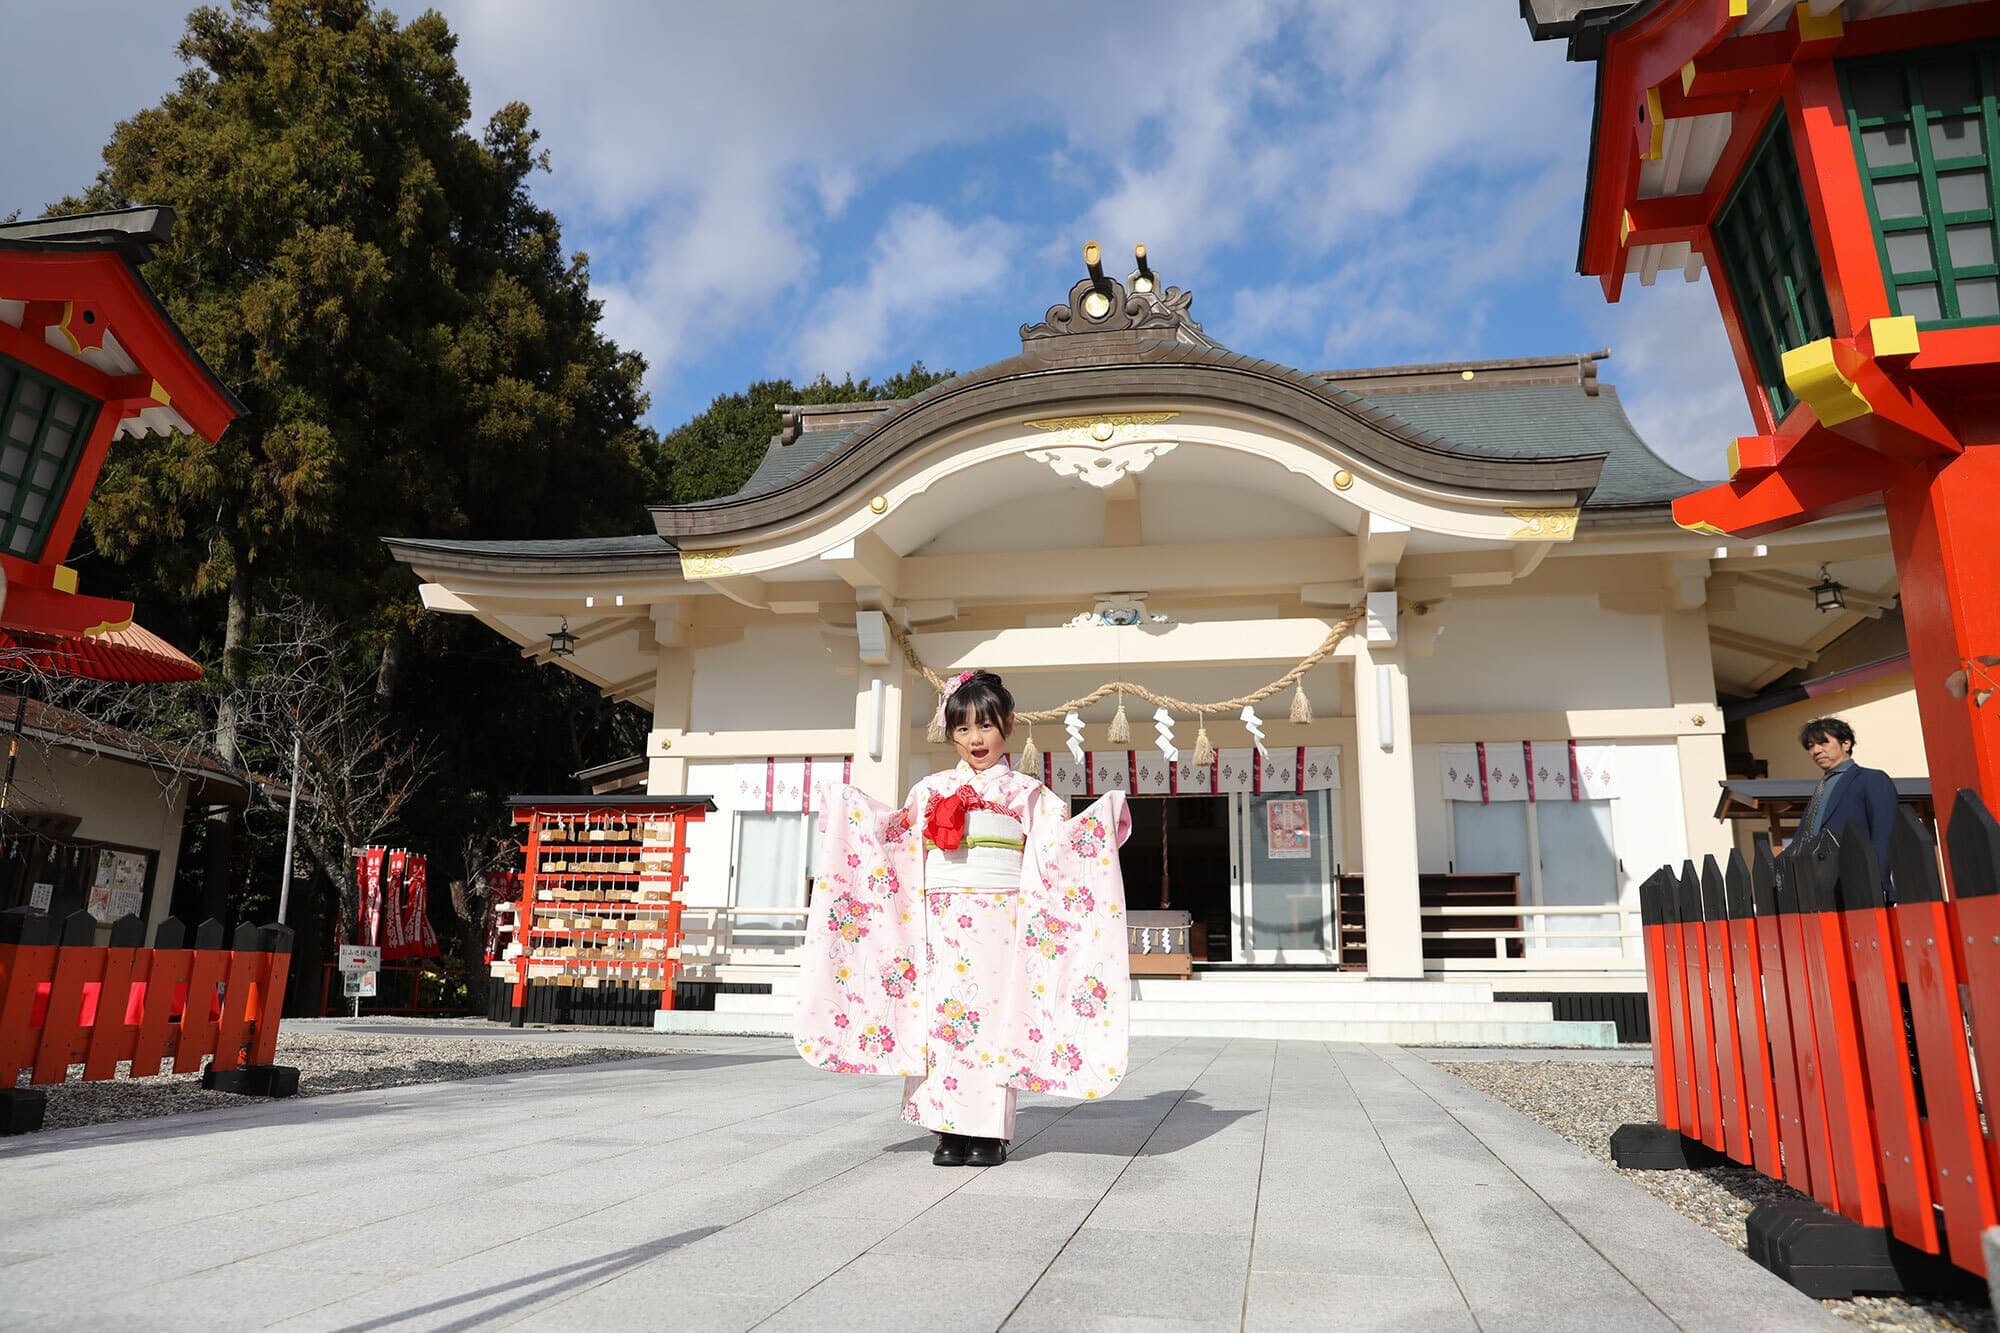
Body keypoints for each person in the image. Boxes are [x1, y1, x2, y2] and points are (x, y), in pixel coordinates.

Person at [794, 670, 1132, 1167]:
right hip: (940, 918)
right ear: (949, 733)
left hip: (1002, 919)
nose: (975, 740)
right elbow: (894, 836)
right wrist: (849, 810)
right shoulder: (931, 789)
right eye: (963, 729)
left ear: (1008, 726)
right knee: (939, 1019)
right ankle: (945, 1130)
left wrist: (1101, 819)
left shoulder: (1028, 793)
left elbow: (1056, 849)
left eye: (986, 726)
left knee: (994, 1020)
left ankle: (990, 1134)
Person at [1798, 716, 1899, 877]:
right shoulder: (1820, 789)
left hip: (1858, 880)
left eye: (1823, 742)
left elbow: (1885, 833)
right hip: (1815, 884)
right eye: (1811, 746)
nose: (1816, 750)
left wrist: (1879, 883)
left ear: (1846, 743)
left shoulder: (1871, 779)